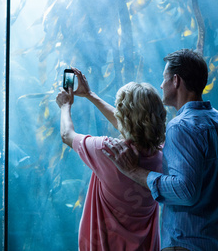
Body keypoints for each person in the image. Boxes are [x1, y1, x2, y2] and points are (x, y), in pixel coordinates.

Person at [103, 49, 218, 251]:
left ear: (176, 80)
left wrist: (134, 171)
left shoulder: (181, 127)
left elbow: (185, 190)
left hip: (185, 245)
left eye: (164, 79)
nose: (161, 85)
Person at [56, 67, 166, 250]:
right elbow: (133, 127)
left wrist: (65, 106)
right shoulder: (163, 156)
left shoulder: (107, 151)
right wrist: (90, 95)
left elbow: (67, 135)